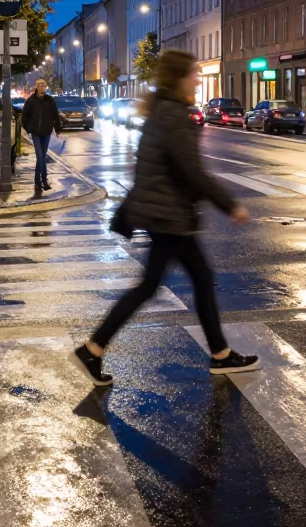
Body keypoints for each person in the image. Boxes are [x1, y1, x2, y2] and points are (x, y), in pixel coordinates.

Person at [72, 50, 260, 386]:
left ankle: (95, 348)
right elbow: (193, 171)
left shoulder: (162, 111)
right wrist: (230, 205)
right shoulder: (173, 116)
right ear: (180, 77)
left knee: (170, 282)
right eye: (194, 74)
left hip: (163, 212)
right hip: (170, 214)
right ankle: (94, 348)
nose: (198, 80)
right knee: (177, 282)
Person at [20, 79, 61, 196]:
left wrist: (57, 128)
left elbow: (55, 114)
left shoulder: (50, 100)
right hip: (35, 132)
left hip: (46, 131)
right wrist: (28, 128)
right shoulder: (31, 100)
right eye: (41, 85)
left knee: (42, 156)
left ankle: (37, 182)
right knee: (40, 155)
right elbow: (25, 115)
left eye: (45, 85)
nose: (43, 87)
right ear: (37, 87)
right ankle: (44, 180)